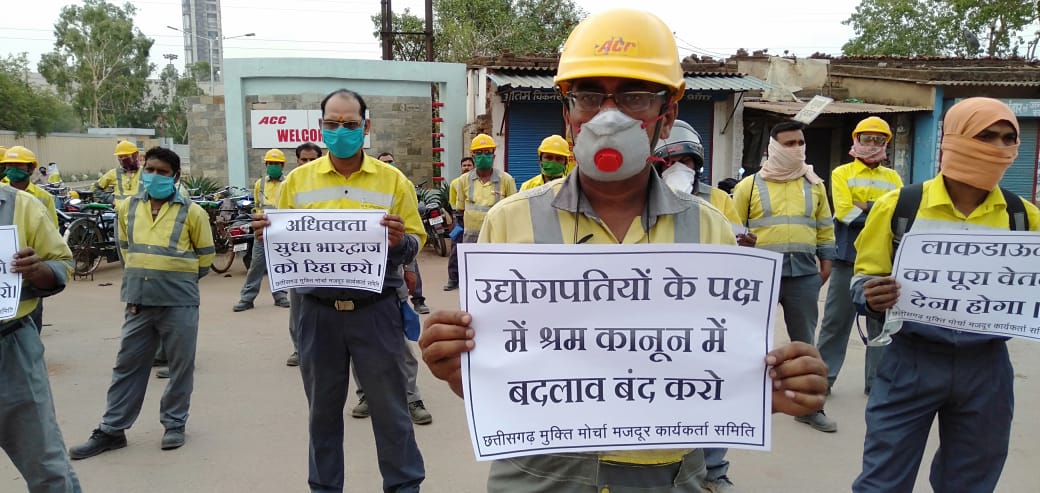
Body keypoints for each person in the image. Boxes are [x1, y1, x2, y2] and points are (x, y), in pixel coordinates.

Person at [418, 9, 828, 493]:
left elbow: (724, 371)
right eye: (589, 96)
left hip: (667, 475)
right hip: (537, 473)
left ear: (666, 116)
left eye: (634, 97)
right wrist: (455, 367)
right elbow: (497, 381)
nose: (607, 116)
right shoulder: (510, 221)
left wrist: (773, 390)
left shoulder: (709, 230)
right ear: (568, 114)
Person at [852, 97, 1038, 493]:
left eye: (1009, 138)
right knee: (883, 481)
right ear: (953, 138)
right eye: (986, 136)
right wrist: (871, 296)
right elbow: (864, 277)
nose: (1000, 148)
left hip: (987, 366)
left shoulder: (1023, 217)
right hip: (911, 359)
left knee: (971, 481)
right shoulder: (900, 206)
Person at [252, 89, 425, 493]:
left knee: (392, 411)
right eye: (332, 124)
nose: (341, 131)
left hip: (377, 311)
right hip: (317, 313)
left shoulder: (394, 181)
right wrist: (267, 235)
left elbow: (415, 242)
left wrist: (400, 241)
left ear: (366, 127)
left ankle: (404, 486)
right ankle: (325, 487)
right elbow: (283, 238)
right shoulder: (297, 182)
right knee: (322, 415)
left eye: (350, 124)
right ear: (321, 127)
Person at [70, 147, 215, 459]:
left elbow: (205, 259)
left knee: (180, 367)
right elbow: (126, 251)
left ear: (176, 177)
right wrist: (140, 285)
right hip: (138, 301)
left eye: (163, 172)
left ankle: (174, 423)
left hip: (179, 302)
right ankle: (112, 430)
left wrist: (175, 281)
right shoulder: (127, 208)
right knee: (127, 366)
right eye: (150, 170)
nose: (154, 176)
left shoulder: (193, 213)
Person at [652, 122, 753, 491]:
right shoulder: (640, 202)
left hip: (705, 309)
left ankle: (714, 469)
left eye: (689, 162)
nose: (683, 168)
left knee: (710, 386)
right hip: (659, 308)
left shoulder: (718, 200)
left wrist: (745, 249)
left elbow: (735, 243)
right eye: (674, 162)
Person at [731, 120, 837, 434]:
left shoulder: (814, 184)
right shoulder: (749, 186)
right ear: (774, 148)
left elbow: (824, 225)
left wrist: (826, 261)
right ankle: (740, 403)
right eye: (790, 143)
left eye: (800, 143)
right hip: (759, 276)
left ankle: (811, 409)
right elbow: (732, 230)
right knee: (749, 340)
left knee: (805, 343)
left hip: (803, 274)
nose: (797, 148)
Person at [0, 149, 81, 493]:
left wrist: (39, 270)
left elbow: (62, 264)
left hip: (10, 348)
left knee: (46, 467)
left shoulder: (22, 205)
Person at [816, 117, 903, 396]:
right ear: (856, 140)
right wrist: (880, 211)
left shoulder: (894, 178)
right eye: (867, 138)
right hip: (847, 259)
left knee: (880, 326)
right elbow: (845, 213)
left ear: (886, 143)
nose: (872, 144)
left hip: (882, 262)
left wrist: (866, 206)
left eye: (879, 139)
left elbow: (898, 217)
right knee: (835, 323)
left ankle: (877, 385)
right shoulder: (841, 173)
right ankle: (823, 380)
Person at [442, 134, 516, 291]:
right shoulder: (463, 180)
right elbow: (460, 209)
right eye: (479, 153)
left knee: (496, 276)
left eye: (487, 152)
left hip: (496, 237)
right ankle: (457, 283)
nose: (483, 156)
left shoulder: (506, 180)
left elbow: (513, 211)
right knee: (472, 277)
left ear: (493, 155)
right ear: (473, 156)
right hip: (471, 237)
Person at [1, 146, 59, 334]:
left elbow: (52, 232)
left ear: (31, 168)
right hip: (5, 268)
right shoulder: (2, 192)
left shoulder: (43, 198)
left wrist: (38, 264)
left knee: (32, 316)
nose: (12, 169)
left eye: (17, 165)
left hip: (30, 269)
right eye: (9, 165)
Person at [233, 148, 292, 312]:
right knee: (256, 265)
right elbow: (258, 206)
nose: (273, 166)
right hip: (263, 229)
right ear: (266, 165)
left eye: (276, 164)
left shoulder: (289, 183)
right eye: (270, 163)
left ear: (282, 166)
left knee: (280, 264)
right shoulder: (260, 184)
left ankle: (280, 296)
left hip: (281, 230)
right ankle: (247, 299)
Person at [284, 142, 323, 367]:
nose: (307, 163)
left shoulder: (332, 183)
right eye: (303, 160)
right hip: (300, 259)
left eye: (312, 160)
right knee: (299, 306)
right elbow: (282, 221)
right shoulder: (291, 183)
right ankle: (299, 349)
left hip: (331, 261)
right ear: (297, 160)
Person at [376, 152, 429, 314]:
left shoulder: (401, 183)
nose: (388, 164)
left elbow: (411, 230)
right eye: (384, 162)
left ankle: (418, 299)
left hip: (400, 246)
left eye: (390, 161)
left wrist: (408, 266)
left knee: (410, 274)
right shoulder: (373, 185)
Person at [443, 156, 474, 291]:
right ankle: (453, 279)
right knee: (456, 249)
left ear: (473, 167)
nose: (466, 167)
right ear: (461, 168)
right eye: (464, 165)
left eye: (469, 165)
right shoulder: (455, 183)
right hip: (460, 220)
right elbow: (452, 202)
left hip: (477, 221)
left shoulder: (478, 183)